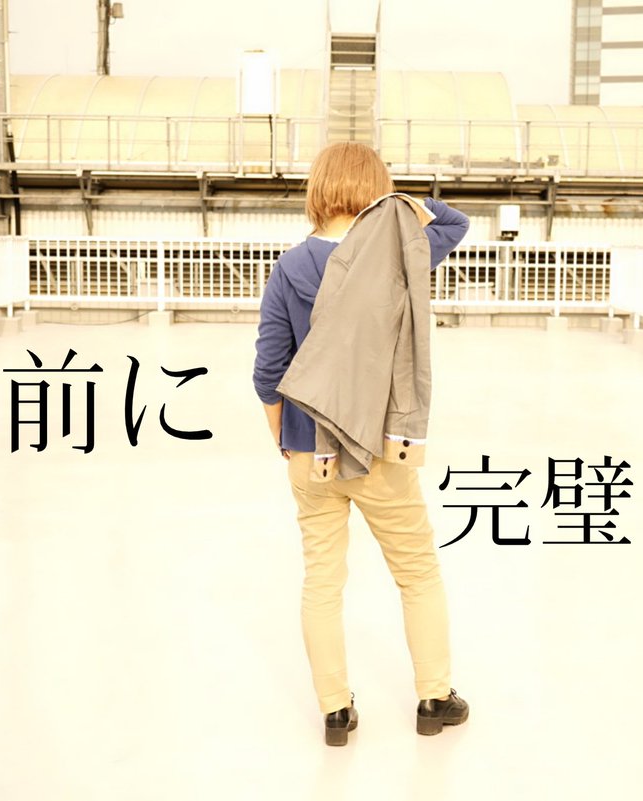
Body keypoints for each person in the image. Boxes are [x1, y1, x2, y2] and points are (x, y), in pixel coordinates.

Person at [252, 142, 471, 746]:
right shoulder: (400, 253)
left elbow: (269, 370)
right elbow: (455, 222)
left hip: (309, 450)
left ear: (317, 190)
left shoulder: (290, 268)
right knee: (417, 572)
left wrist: (284, 438)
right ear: (379, 191)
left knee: (322, 581)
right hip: (379, 448)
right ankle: (434, 698)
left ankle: (335, 712)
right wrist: (393, 203)